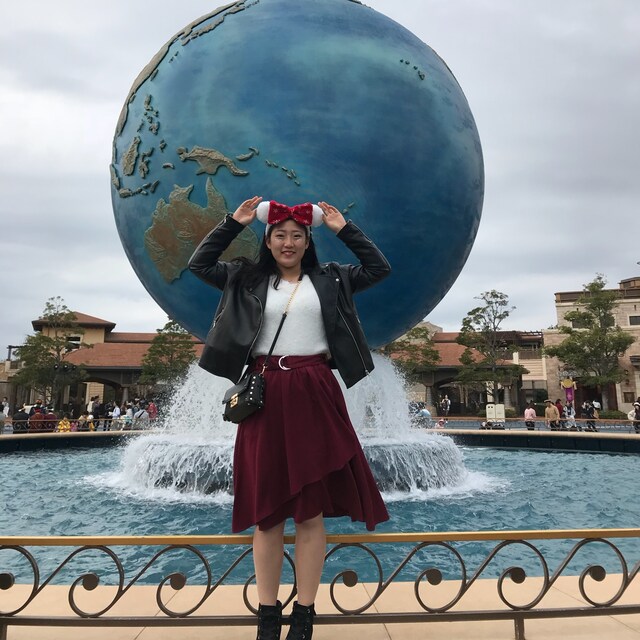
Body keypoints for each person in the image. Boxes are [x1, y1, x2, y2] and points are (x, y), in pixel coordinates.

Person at [188, 196, 390, 640]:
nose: (288, 242)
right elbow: (199, 264)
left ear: (307, 240)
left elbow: (378, 268)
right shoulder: (245, 277)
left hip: (315, 390)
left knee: (310, 513)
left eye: (297, 235)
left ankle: (304, 612)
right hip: (264, 392)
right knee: (268, 514)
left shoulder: (332, 278)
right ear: (267, 239)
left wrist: (344, 229)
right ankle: (267, 614)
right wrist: (233, 222)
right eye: (280, 234)